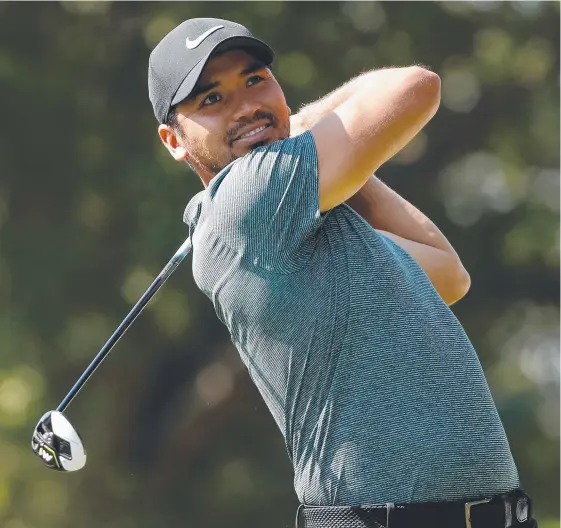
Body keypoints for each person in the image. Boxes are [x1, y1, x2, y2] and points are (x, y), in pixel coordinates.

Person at [148, 17, 536, 528]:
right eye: (211, 101)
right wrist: (308, 128)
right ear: (174, 141)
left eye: (255, 80)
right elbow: (416, 87)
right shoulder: (246, 201)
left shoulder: (302, 220)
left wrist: (338, 163)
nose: (245, 106)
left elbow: (446, 274)